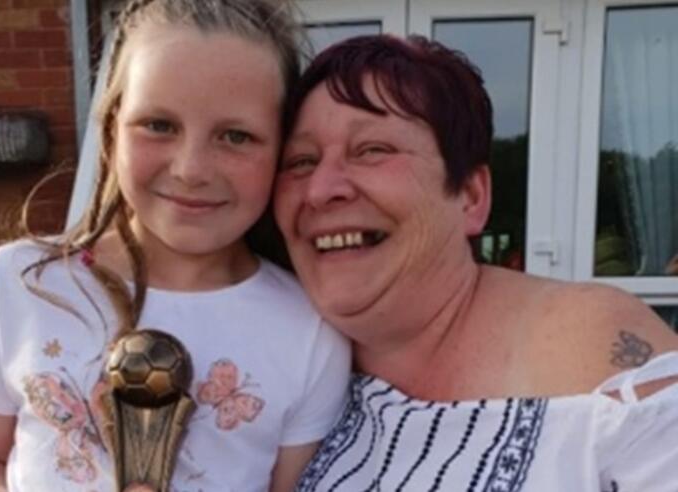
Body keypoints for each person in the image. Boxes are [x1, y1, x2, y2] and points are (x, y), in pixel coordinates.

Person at [0, 1, 350, 491]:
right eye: (159, 125)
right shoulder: (18, 281)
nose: (191, 169)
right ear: (111, 131)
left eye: (236, 136)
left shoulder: (310, 331)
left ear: (281, 150)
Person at [274, 34, 678, 491]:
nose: (320, 189)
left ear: (471, 197)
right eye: (301, 161)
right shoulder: (276, 357)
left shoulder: (588, 348)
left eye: (372, 150)